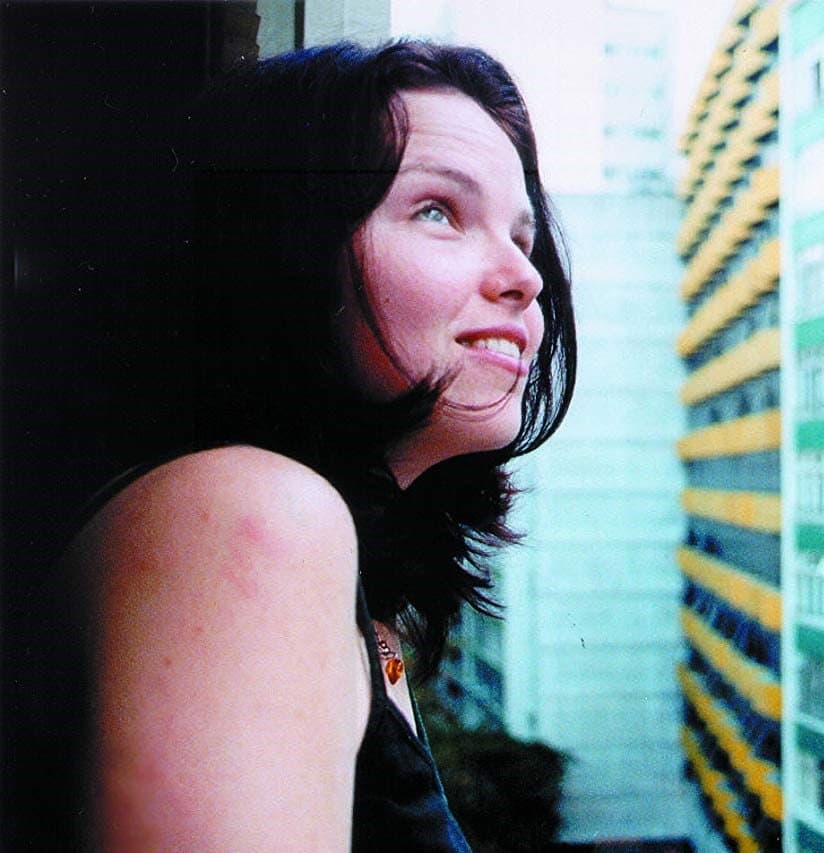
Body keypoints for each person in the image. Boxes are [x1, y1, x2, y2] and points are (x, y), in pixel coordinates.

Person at [62, 40, 575, 849]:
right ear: (277, 250)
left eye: (523, 235)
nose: (526, 275)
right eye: (438, 210)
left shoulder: (352, 594)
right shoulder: (247, 515)